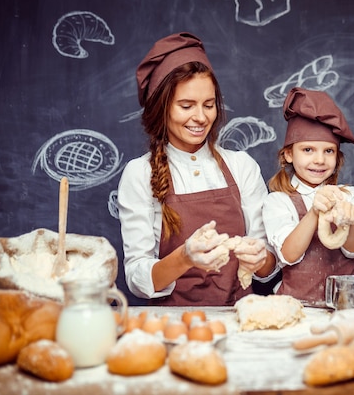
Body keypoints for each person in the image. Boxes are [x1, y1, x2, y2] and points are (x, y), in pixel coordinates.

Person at [117, 32, 277, 306]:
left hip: (238, 319)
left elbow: (267, 268)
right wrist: (185, 257)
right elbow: (136, 279)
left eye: (209, 105)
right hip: (173, 325)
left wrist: (260, 258)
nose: (201, 118)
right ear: (161, 108)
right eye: (186, 106)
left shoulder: (242, 166)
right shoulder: (139, 174)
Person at [262, 87, 354, 307]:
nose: (319, 160)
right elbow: (289, 255)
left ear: (337, 157)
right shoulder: (278, 201)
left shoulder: (352, 196)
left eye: (328, 151)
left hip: (343, 307)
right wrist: (314, 212)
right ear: (289, 154)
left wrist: (349, 221)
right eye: (308, 150)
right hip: (293, 308)